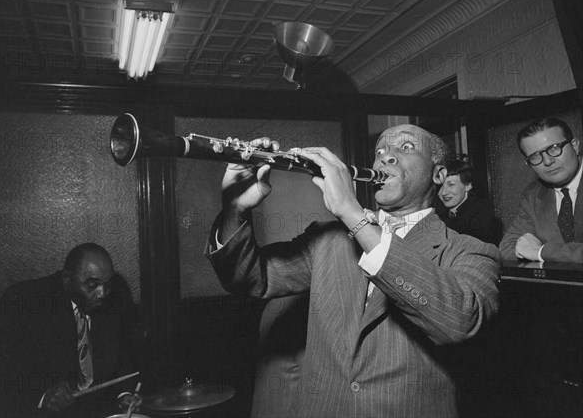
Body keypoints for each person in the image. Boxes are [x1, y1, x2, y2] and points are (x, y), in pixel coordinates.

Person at [205, 125, 500, 418]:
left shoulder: (470, 250)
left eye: (406, 147)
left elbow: (459, 321)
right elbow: (252, 279)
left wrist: (351, 213)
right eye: (380, 151)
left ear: (438, 174)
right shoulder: (328, 239)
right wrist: (235, 207)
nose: (387, 157)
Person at [0, 243, 142, 418]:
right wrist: (42, 397)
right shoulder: (26, 302)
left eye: (107, 284)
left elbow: (121, 357)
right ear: (67, 279)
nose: (102, 293)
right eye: (92, 285)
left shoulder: (112, 300)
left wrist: (124, 395)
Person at [500, 118, 582, 263]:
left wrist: (541, 252)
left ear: (575, 146)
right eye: (535, 156)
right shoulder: (533, 194)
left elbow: (537, 251)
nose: (548, 161)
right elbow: (507, 248)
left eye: (554, 148)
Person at [436, 159, 498, 244]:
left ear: (468, 186)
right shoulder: (436, 212)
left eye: (451, 185)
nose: (443, 192)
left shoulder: (481, 212)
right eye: (441, 186)